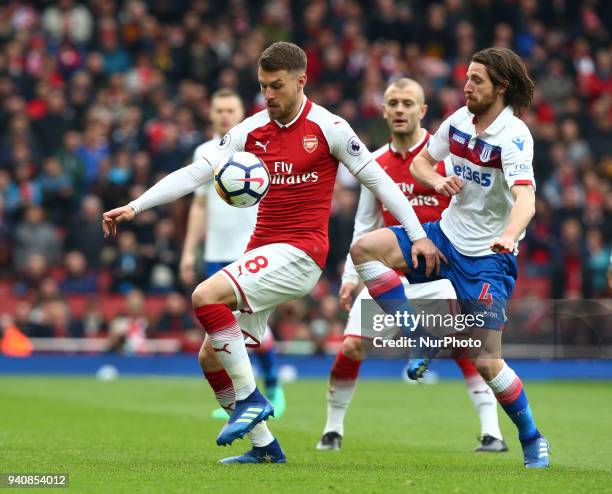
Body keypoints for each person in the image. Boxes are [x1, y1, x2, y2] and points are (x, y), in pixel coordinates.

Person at [102, 42, 443, 464]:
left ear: (301, 81)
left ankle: (249, 401)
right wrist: (136, 206)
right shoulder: (249, 131)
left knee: (204, 296)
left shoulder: (330, 128)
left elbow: (381, 184)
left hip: (302, 252)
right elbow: (197, 172)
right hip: (263, 250)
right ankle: (265, 447)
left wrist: (417, 236)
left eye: (277, 86)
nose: (268, 95)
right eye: (263, 86)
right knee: (209, 355)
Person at [348, 48, 550, 468]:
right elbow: (422, 162)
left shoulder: (513, 138)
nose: (467, 86)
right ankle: (420, 334)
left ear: (501, 87)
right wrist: (438, 180)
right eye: (467, 77)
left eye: (477, 79)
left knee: (488, 362)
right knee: (364, 248)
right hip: (444, 237)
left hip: (488, 260)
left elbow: (526, 198)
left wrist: (509, 236)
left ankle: (531, 436)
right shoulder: (458, 122)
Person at [317, 78, 507, 453]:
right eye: (393, 103)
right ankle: (332, 429)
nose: (400, 109)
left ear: (422, 111)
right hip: (389, 277)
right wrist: (351, 277)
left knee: (464, 346)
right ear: (383, 110)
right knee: (352, 347)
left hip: (442, 274)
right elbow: (365, 223)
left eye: (408, 103)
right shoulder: (372, 162)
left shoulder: (447, 156)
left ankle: (492, 433)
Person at [179, 88, 286, 420]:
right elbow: (198, 207)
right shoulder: (203, 152)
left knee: (250, 326)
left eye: (230, 109)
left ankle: (272, 387)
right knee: (222, 332)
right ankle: (241, 397)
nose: (225, 115)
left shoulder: (257, 149)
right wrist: (188, 252)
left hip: (251, 252)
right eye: (219, 109)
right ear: (210, 114)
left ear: (241, 113)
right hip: (215, 252)